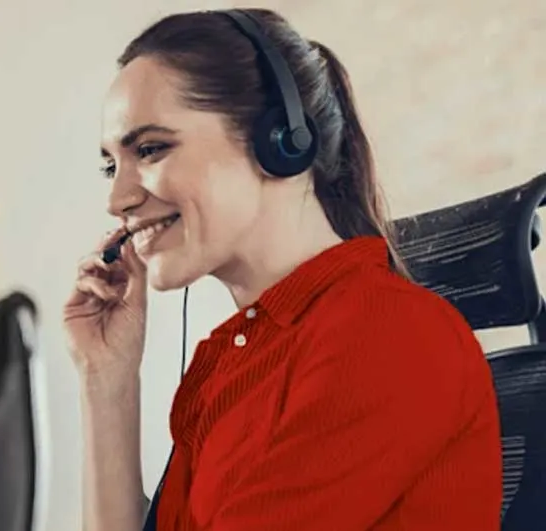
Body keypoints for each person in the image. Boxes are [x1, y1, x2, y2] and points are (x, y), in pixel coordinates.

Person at [64, 8, 502, 531]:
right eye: (111, 166)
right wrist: (105, 379)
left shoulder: (385, 333)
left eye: (151, 149)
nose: (118, 197)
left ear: (279, 143)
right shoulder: (239, 357)